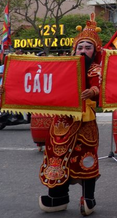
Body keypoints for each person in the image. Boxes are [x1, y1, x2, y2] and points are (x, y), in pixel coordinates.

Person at [37, 15, 103, 215]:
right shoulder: (62, 67)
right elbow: (43, 85)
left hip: (85, 122)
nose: (83, 51)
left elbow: (102, 87)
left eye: (87, 47)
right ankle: (58, 195)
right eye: (80, 47)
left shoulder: (96, 69)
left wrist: (93, 91)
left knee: (85, 157)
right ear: (74, 49)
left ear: (95, 51)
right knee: (55, 156)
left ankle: (88, 197)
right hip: (61, 121)